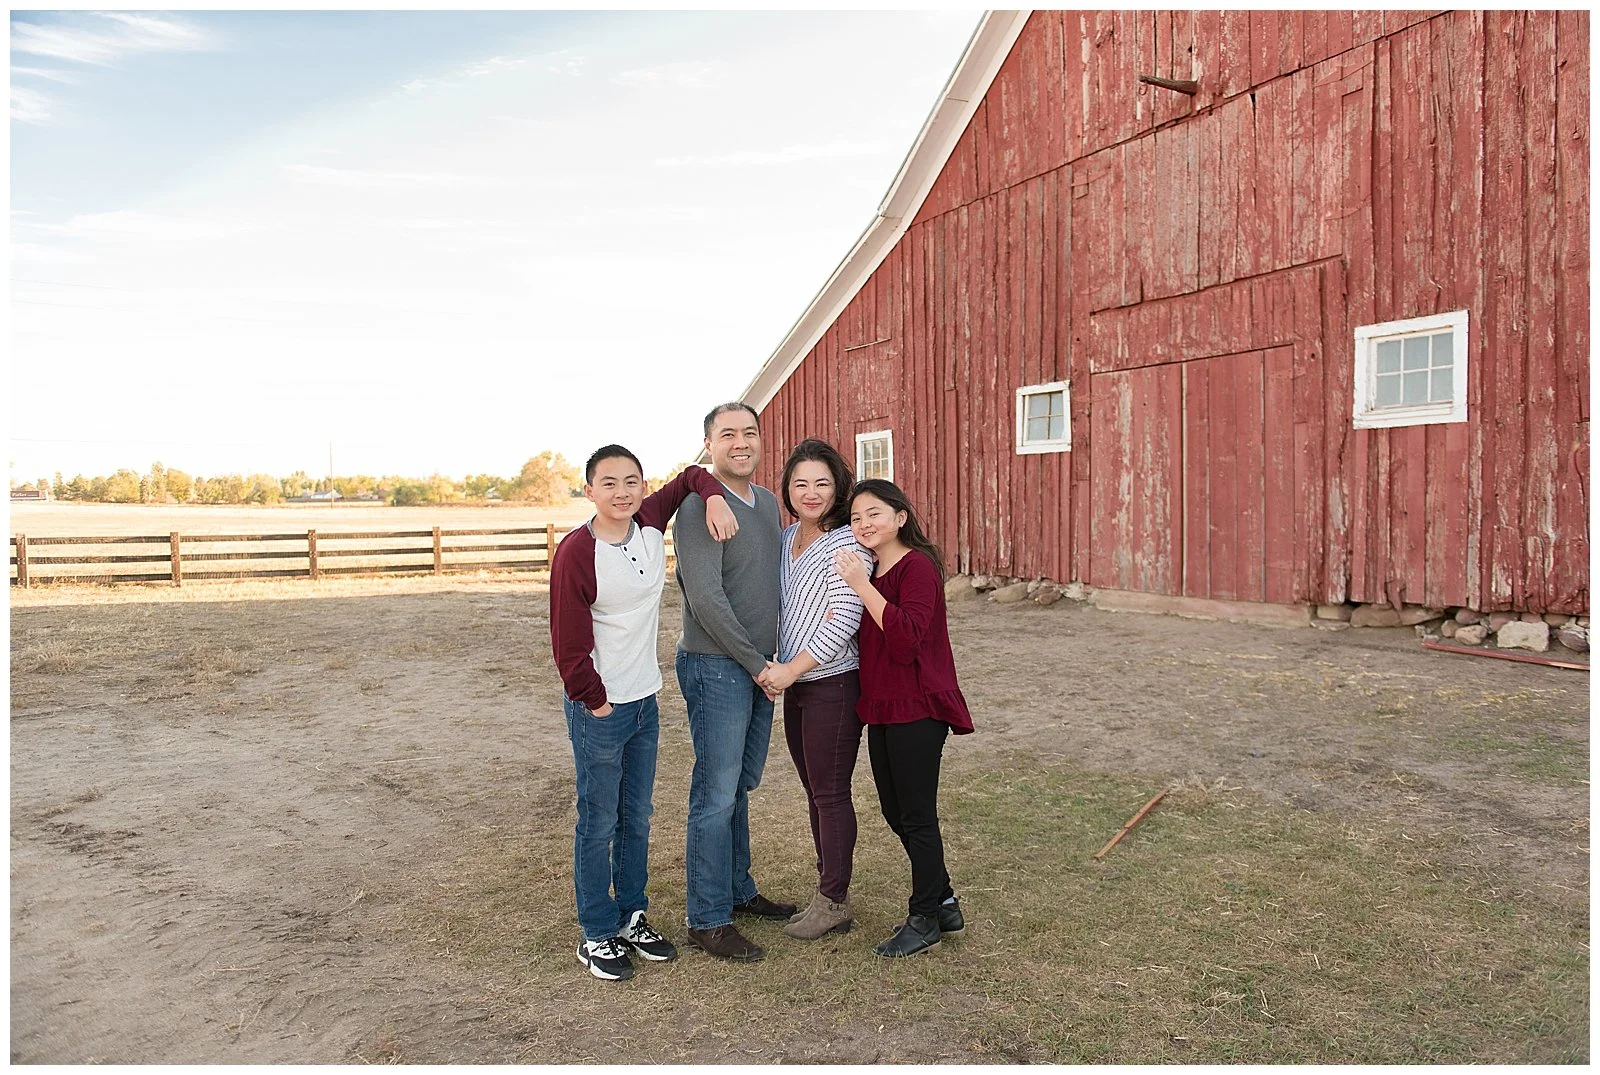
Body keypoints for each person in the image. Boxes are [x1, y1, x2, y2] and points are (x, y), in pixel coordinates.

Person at [549, 445, 738, 981]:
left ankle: (633, 915)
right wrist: (597, 701)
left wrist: (715, 498)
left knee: (638, 816)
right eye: (608, 483)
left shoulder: (650, 521)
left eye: (631, 481)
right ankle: (597, 932)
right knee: (599, 819)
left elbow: (693, 475)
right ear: (589, 491)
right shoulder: (576, 554)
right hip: (601, 709)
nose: (622, 492)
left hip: (645, 702)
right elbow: (567, 649)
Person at [673, 401, 795, 962]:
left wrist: (772, 662)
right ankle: (708, 917)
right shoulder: (699, 507)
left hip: (758, 664)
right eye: (728, 434)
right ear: (709, 444)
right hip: (718, 666)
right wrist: (755, 664)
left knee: (740, 787)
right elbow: (706, 598)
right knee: (715, 791)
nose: (740, 442)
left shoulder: (768, 503)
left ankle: (738, 890)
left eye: (749, 432)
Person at [832, 478, 974, 958]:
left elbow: (907, 639)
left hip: (917, 707)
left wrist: (860, 587)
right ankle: (945, 899)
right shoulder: (872, 568)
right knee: (897, 810)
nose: (864, 524)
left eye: (874, 513)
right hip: (884, 706)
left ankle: (925, 918)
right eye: (855, 517)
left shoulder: (917, 569)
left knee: (916, 815)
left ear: (900, 518)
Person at [756, 439, 871, 940]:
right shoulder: (785, 539)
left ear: (838, 487)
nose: (811, 492)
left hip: (833, 684)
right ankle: (828, 889)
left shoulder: (849, 544)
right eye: (800, 483)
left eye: (822, 483)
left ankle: (834, 900)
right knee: (813, 790)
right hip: (798, 685)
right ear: (787, 488)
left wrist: (790, 670)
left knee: (829, 790)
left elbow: (843, 619)